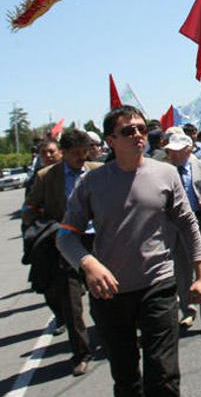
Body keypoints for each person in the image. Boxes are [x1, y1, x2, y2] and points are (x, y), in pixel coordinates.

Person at [57, 105, 201, 397]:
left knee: (163, 375)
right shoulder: (91, 182)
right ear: (110, 141)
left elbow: (188, 223)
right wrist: (88, 264)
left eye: (141, 128)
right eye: (128, 131)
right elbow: (65, 236)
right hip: (110, 293)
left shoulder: (166, 173)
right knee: (126, 379)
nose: (138, 134)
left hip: (158, 285)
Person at [23, 129, 99, 376]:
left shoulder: (98, 171)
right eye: (75, 153)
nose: (80, 157)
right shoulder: (46, 177)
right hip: (66, 243)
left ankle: (110, 339)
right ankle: (81, 354)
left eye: (84, 152)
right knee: (71, 303)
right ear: (63, 153)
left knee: (104, 296)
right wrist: (47, 230)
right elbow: (30, 209)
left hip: (98, 241)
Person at [164, 133, 201, 335]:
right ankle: (188, 309)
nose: (173, 155)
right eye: (170, 151)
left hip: (200, 223)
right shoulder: (165, 171)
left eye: (177, 151)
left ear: (188, 150)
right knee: (182, 273)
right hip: (175, 226)